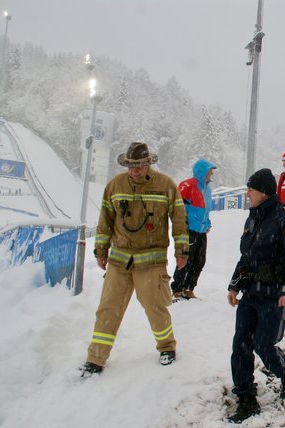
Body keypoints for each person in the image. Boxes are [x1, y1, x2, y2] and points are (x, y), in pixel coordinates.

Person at [79, 142, 189, 377]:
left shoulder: (166, 185)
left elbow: (179, 219)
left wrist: (182, 250)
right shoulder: (115, 185)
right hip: (120, 261)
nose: (135, 171)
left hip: (152, 262)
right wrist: (101, 250)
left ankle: (167, 347)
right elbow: (105, 220)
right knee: (107, 308)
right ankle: (95, 358)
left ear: (148, 163)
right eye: (131, 166)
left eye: (139, 166)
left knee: (155, 307)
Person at [226, 168, 285, 423]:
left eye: (251, 189)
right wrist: (234, 285)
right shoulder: (252, 219)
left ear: (263, 191)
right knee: (240, 343)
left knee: (263, 344)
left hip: (274, 295)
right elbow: (246, 257)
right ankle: (246, 397)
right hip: (251, 292)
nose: (247, 193)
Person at [171, 159, 217, 301]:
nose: (211, 174)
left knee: (199, 261)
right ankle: (177, 289)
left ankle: (189, 288)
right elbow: (178, 208)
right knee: (185, 259)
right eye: (210, 171)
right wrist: (184, 224)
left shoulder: (207, 189)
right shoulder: (187, 185)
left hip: (202, 231)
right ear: (202, 171)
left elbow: (206, 210)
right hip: (189, 230)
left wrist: (207, 223)